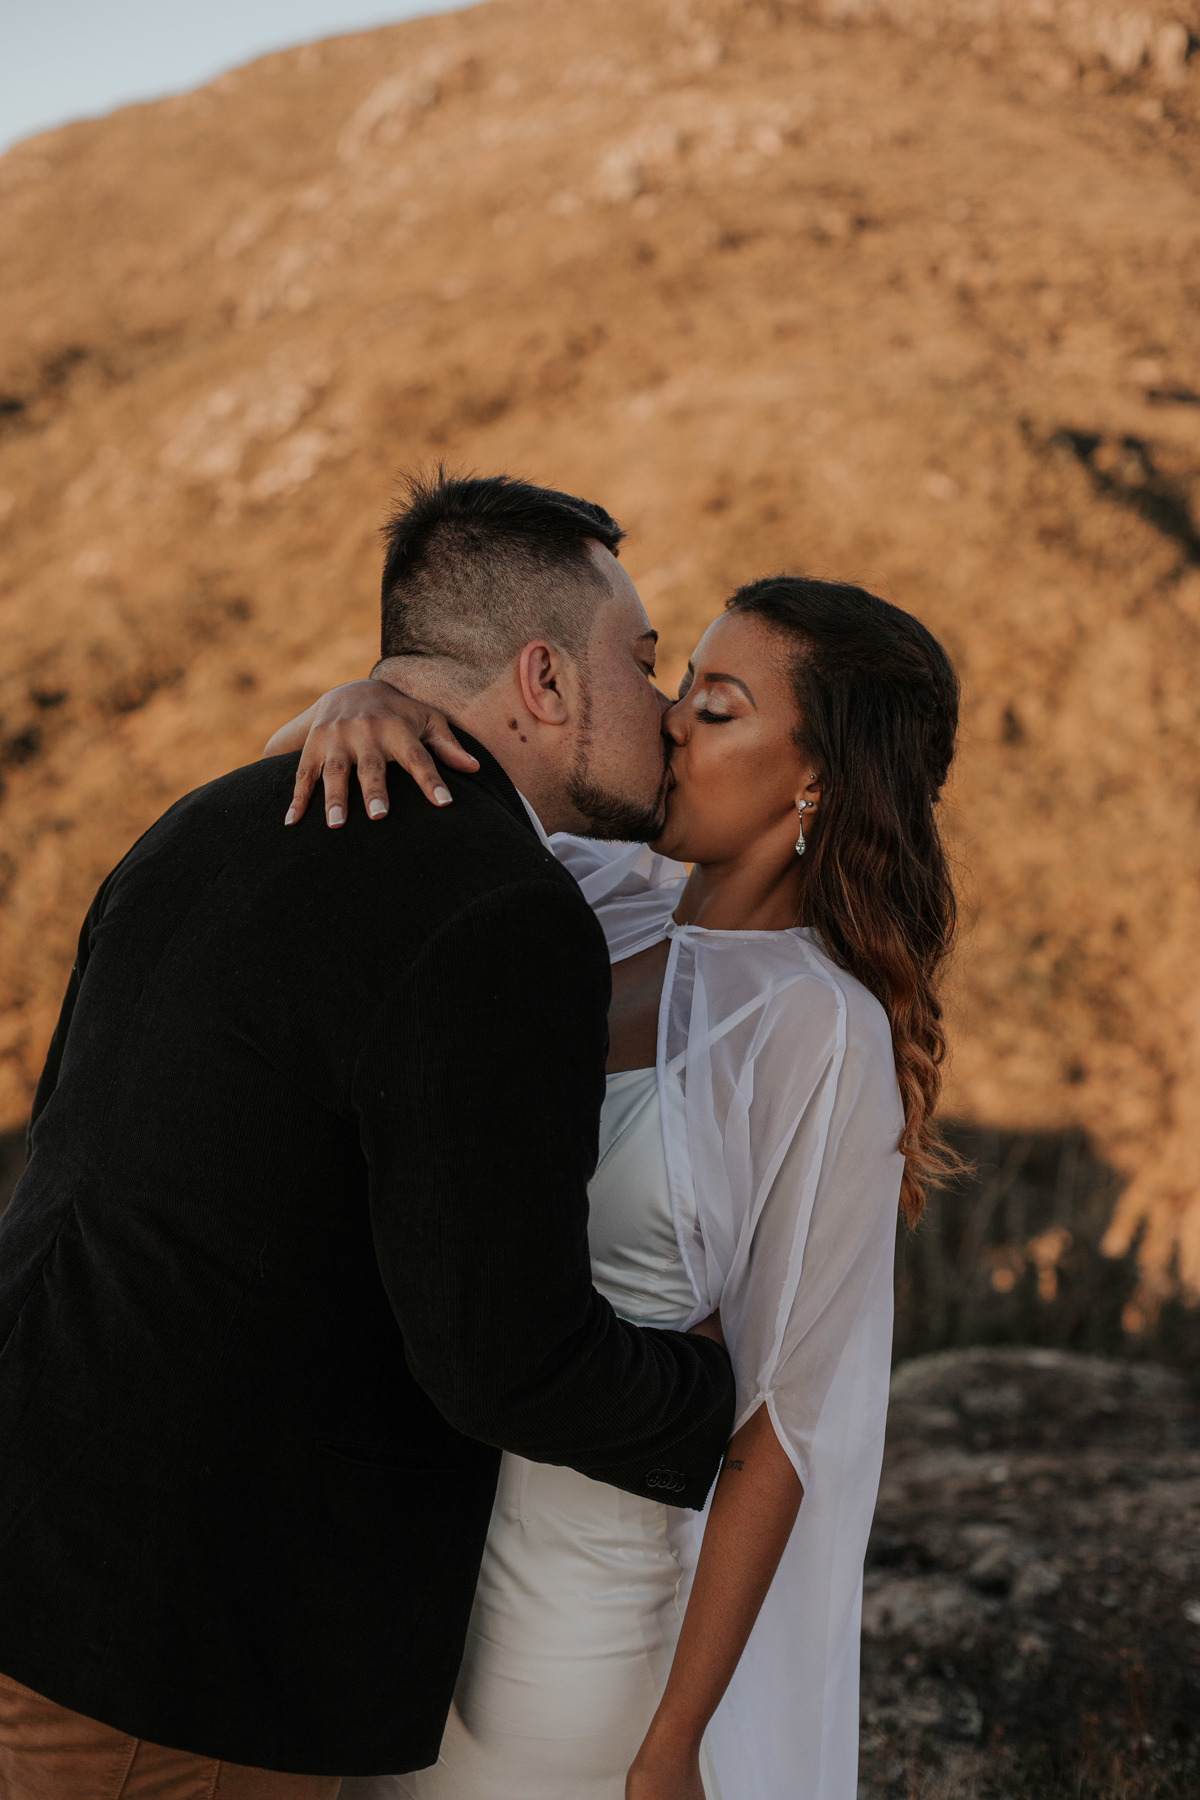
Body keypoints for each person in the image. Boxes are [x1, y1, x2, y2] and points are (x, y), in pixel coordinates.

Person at [0, 475, 738, 1800]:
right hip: (174, 1652)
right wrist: (719, 1396)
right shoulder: (501, 917)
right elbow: (500, 1359)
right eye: (639, 659)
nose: (666, 704)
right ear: (545, 680)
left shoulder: (207, 817)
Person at [266, 532, 962, 1800]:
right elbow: (347, 812)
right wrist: (360, 701)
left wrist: (675, 1743)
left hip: (580, 1628)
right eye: (680, 679)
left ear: (817, 779)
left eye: (718, 702)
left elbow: (785, 1425)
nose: (669, 722)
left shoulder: (818, 1030)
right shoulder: (596, 894)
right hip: (412, 1569)